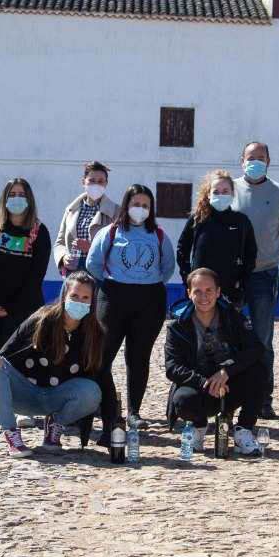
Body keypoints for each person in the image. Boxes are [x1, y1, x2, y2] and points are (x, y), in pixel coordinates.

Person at [0, 272, 114, 458]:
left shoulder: (95, 333)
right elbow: (5, 355)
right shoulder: (42, 320)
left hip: (58, 398)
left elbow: (101, 376)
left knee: (92, 391)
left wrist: (111, 426)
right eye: (74, 296)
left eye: (86, 298)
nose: (80, 301)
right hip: (25, 393)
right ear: (64, 296)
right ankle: (12, 434)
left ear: (92, 302)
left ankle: (55, 425)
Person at [86, 184, 176, 430]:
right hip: (113, 297)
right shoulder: (110, 231)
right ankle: (109, 407)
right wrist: (115, 281)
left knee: (138, 358)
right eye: (136, 204)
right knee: (103, 356)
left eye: (145, 205)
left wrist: (143, 281)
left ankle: (134, 411)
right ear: (126, 205)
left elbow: (168, 266)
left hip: (149, 300)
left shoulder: (158, 234)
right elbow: (93, 263)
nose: (140, 209)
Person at [0, 178, 51, 423]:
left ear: (30, 199)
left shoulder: (39, 232)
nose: (17, 198)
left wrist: (11, 307)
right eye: (12, 194)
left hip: (22, 303)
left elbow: (36, 275)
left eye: (21, 194)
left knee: (7, 355)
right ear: (5, 199)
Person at [163, 268, 268, 458]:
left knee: (259, 370)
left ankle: (243, 430)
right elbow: (172, 367)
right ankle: (198, 427)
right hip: (200, 388)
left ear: (218, 292)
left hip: (229, 386)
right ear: (189, 293)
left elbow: (256, 349)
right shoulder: (178, 327)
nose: (204, 296)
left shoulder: (233, 317)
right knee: (182, 401)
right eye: (197, 291)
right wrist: (204, 381)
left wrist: (226, 372)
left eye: (209, 290)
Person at [232, 141, 279, 418]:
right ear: (241, 161)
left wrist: (271, 256)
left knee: (262, 340)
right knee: (230, 336)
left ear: (269, 161)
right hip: (233, 276)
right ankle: (232, 394)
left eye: (260, 158)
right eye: (250, 157)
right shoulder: (230, 189)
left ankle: (262, 398)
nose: (255, 162)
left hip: (264, 275)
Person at [176, 170, 257, 305]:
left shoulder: (241, 221)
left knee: (227, 326)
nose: (221, 195)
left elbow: (251, 255)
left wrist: (241, 286)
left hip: (230, 292)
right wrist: (188, 280)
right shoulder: (197, 219)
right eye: (216, 192)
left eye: (225, 191)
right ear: (208, 195)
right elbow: (182, 250)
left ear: (232, 193)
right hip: (201, 291)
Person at [54, 161, 118, 276]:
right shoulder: (71, 209)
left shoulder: (115, 211)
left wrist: (91, 248)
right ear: (83, 182)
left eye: (100, 181)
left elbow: (119, 248)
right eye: (92, 181)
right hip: (73, 271)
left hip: (99, 271)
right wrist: (63, 257)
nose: (96, 185)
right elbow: (60, 242)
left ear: (106, 184)